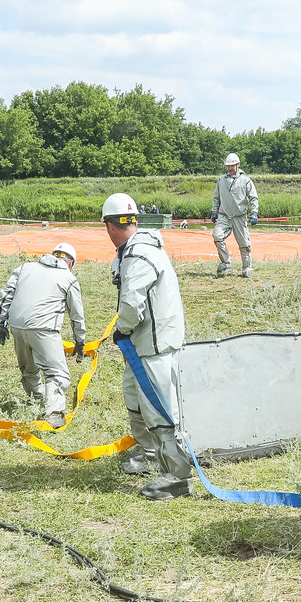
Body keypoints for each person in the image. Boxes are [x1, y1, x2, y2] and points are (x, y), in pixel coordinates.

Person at [103, 192, 195, 500]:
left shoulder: (138, 254)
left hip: (152, 346)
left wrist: (121, 329)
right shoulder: (135, 249)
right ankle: (149, 456)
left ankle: (177, 478)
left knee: (159, 410)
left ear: (109, 226)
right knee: (134, 398)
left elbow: (131, 304)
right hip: (142, 345)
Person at [0, 243, 86, 429]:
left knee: (29, 369)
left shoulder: (24, 268)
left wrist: (0, 324)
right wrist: (80, 341)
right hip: (44, 329)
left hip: (16, 326)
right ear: (70, 263)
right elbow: (77, 314)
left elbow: (6, 295)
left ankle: (38, 399)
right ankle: (53, 416)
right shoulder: (68, 278)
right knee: (57, 374)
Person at [211, 152, 260, 278]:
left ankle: (247, 267)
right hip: (224, 216)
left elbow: (253, 198)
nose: (230, 168)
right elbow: (216, 197)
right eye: (228, 166)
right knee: (217, 236)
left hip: (239, 216)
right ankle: (226, 263)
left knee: (244, 243)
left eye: (233, 165)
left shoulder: (245, 181)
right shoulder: (221, 180)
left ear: (238, 165)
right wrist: (214, 211)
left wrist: (254, 212)